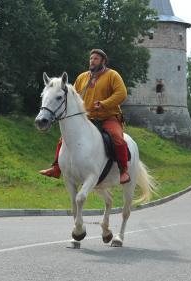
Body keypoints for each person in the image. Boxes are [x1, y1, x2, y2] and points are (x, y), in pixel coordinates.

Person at [39, 49, 130, 184]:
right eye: (91, 58)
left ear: (103, 61)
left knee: (117, 138)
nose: (92, 61)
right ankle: (57, 168)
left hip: (108, 116)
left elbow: (121, 93)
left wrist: (104, 104)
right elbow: (72, 96)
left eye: (96, 59)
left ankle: (123, 171)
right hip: (87, 117)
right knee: (63, 138)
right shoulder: (82, 77)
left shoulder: (112, 75)